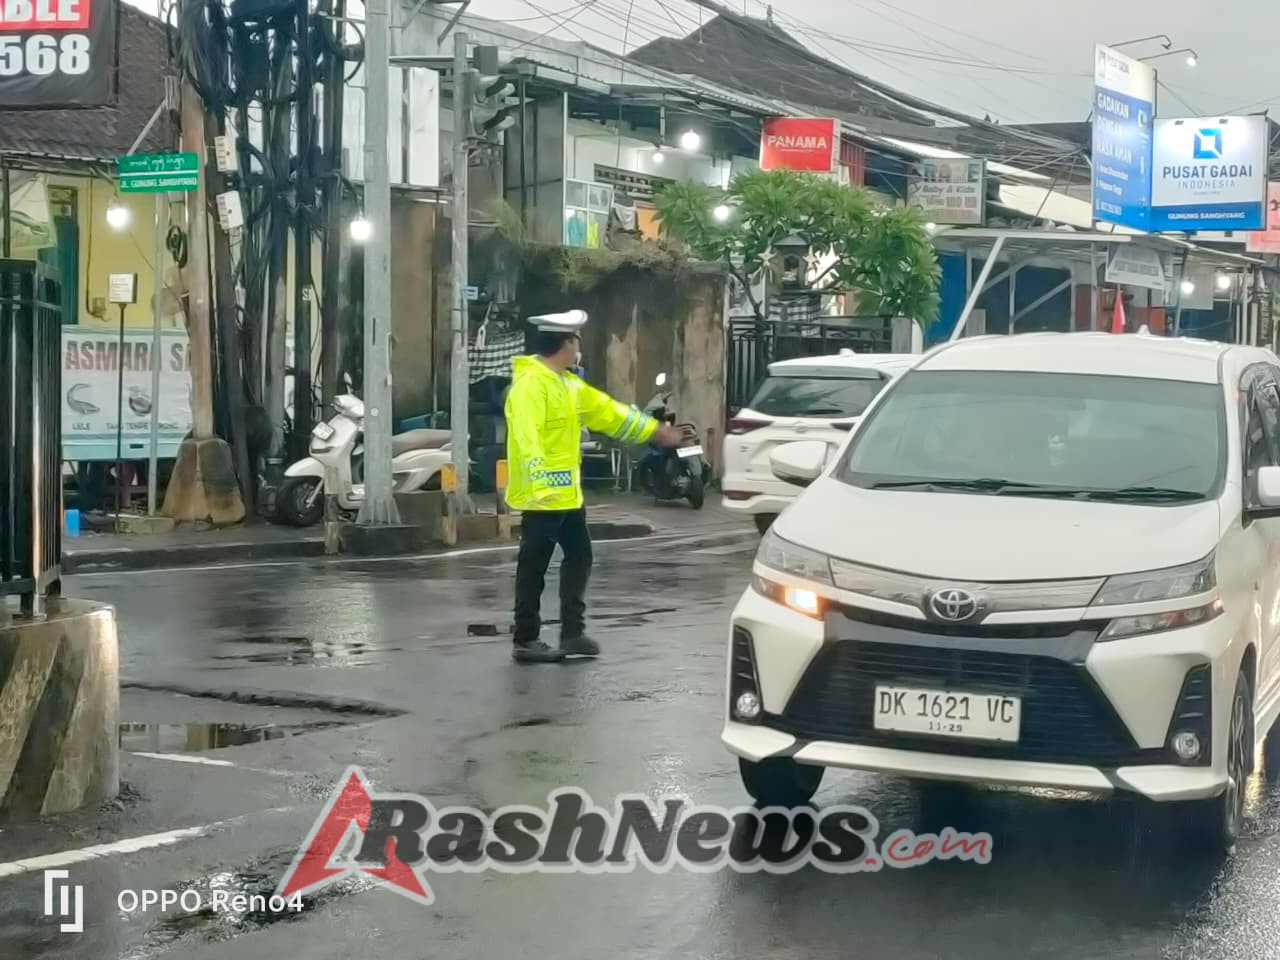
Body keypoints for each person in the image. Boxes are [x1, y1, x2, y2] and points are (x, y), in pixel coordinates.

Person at [505, 310, 682, 663]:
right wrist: (540, 485)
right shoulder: (530, 385)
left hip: (567, 496)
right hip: (543, 498)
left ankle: (573, 633)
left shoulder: (568, 385)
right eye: (576, 340)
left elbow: (608, 412)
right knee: (534, 567)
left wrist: (654, 431)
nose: (579, 347)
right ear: (565, 343)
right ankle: (526, 639)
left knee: (580, 556)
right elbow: (527, 439)